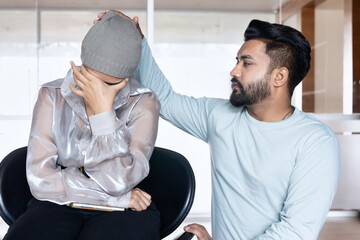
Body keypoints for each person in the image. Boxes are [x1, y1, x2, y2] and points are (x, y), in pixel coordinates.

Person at [96, 10, 341, 240]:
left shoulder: (316, 141)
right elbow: (165, 99)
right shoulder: (220, 116)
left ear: (279, 76)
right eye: (237, 61)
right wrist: (136, 40)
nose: (234, 70)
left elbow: (296, 232)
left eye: (247, 63)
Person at [3, 11, 161, 240]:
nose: (95, 89)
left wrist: (103, 115)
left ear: (126, 79)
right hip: (65, 204)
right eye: (88, 79)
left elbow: (120, 181)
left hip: (126, 213)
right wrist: (116, 199)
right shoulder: (52, 95)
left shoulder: (144, 102)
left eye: (108, 84)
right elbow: (41, 180)